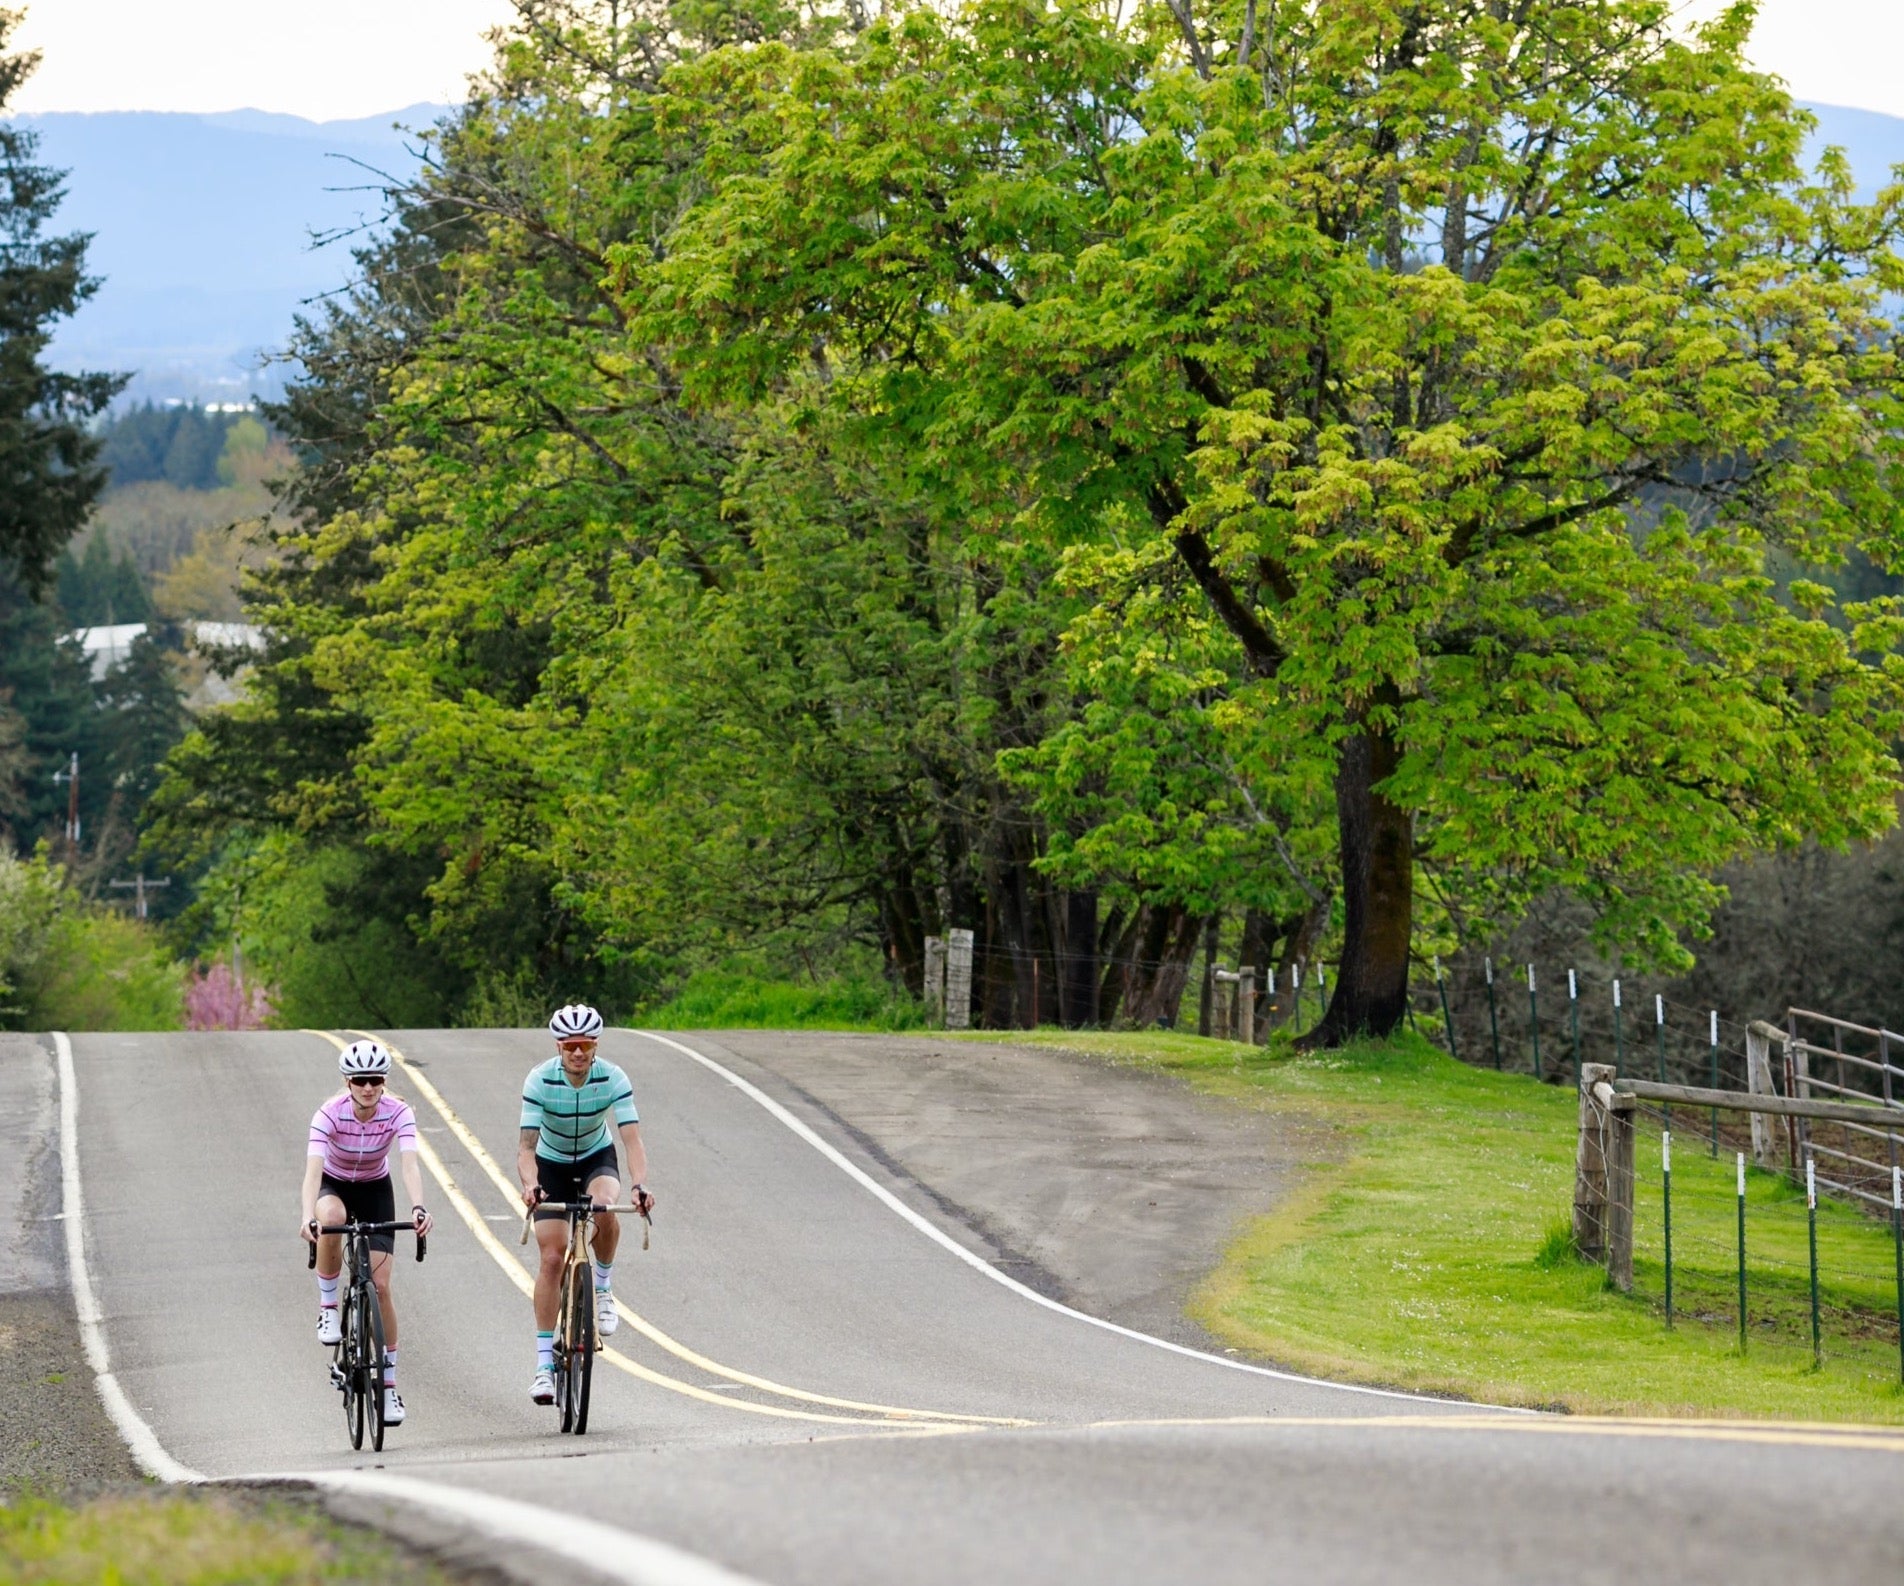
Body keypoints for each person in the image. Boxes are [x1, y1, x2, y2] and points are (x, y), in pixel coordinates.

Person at [518, 1003, 654, 1405]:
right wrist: (531, 1185)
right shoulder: (540, 1079)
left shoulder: (613, 1077)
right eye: (571, 1045)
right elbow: (525, 1148)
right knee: (551, 1258)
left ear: (596, 1046)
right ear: (560, 1046)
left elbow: (631, 1139)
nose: (578, 1053)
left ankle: (604, 1287)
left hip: (597, 1156)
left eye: (586, 1045)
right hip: (551, 1164)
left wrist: (640, 1185)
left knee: (604, 1206)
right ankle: (544, 1366)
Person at [300, 1038, 434, 1427]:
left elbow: (409, 1164)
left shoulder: (399, 1112)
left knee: (382, 1285)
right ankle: (327, 1308)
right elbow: (312, 1173)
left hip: (376, 1188)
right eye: (360, 1080)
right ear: (348, 1082)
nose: (369, 1088)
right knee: (332, 1215)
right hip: (334, 1184)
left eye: (376, 1079)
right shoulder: (328, 1114)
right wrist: (307, 1215)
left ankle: (388, 1386)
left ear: (384, 1081)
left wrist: (419, 1207)